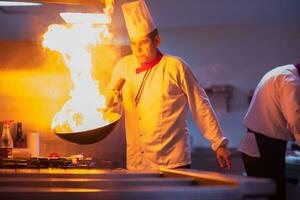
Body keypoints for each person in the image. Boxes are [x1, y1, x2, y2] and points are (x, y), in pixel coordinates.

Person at [108, 0, 231, 171]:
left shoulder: (176, 66)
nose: (138, 50)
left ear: (157, 41)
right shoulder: (123, 67)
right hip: (137, 163)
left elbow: (200, 104)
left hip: (172, 162)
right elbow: (110, 107)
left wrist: (218, 143)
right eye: (133, 44)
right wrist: (109, 104)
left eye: (143, 43)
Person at [239, 63, 300, 200]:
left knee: (265, 193)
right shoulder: (290, 80)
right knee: (273, 194)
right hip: (265, 146)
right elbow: (295, 120)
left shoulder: (280, 72)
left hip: (257, 142)